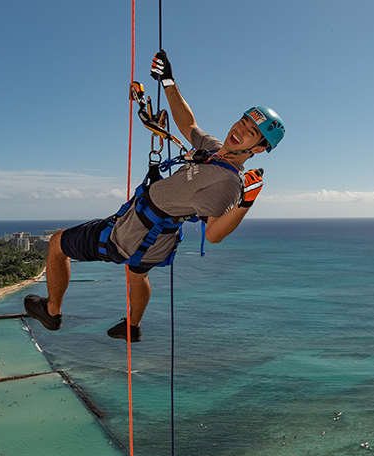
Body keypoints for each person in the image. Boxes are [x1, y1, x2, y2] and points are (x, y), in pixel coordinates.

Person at [24, 50, 285, 342]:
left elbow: (213, 233)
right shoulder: (214, 151)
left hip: (132, 233)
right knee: (138, 274)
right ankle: (132, 327)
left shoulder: (228, 182)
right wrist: (169, 82)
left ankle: (52, 311)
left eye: (251, 133)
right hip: (157, 238)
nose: (240, 130)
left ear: (259, 149)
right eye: (243, 121)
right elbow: (189, 125)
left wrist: (245, 204)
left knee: (59, 243)